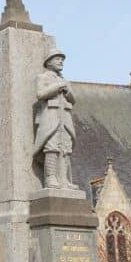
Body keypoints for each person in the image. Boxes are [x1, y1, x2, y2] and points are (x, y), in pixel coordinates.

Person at [34, 49, 78, 189]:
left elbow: (73, 99)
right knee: (51, 147)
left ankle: (64, 180)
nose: (61, 62)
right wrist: (57, 86)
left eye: (62, 59)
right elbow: (40, 94)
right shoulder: (43, 77)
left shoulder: (64, 80)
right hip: (50, 116)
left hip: (64, 117)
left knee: (65, 148)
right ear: (49, 62)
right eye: (57, 59)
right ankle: (50, 178)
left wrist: (67, 91)